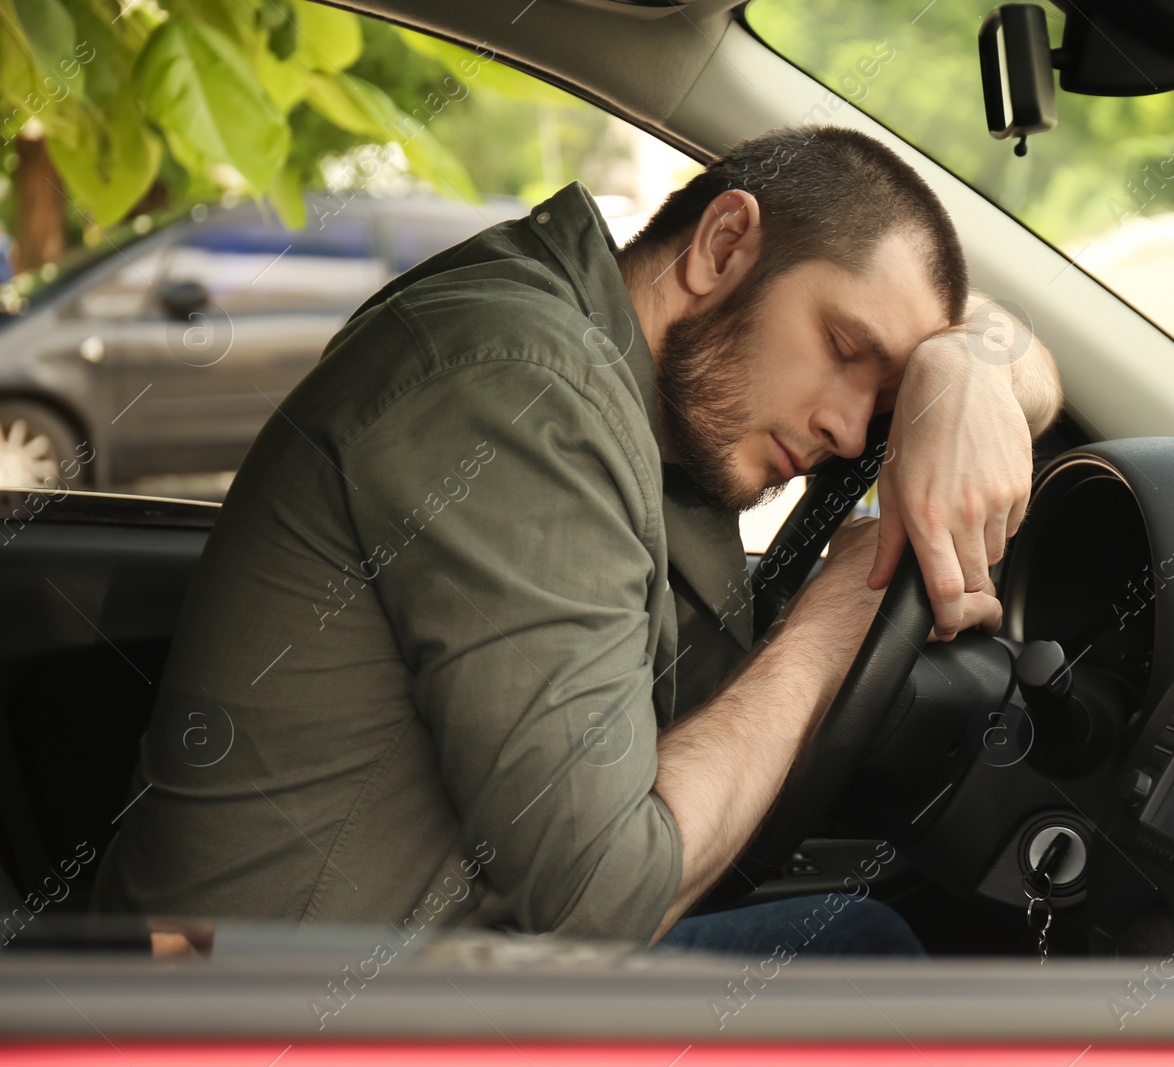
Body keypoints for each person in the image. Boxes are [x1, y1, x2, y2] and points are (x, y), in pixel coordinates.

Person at [91, 126, 1063, 956]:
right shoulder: (522, 392)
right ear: (723, 244)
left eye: (886, 401)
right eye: (846, 351)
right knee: (869, 953)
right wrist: (852, 599)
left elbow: (1042, 376)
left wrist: (963, 366)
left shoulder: (633, 378)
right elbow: (600, 897)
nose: (855, 434)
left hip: (376, 959)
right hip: (267, 1013)